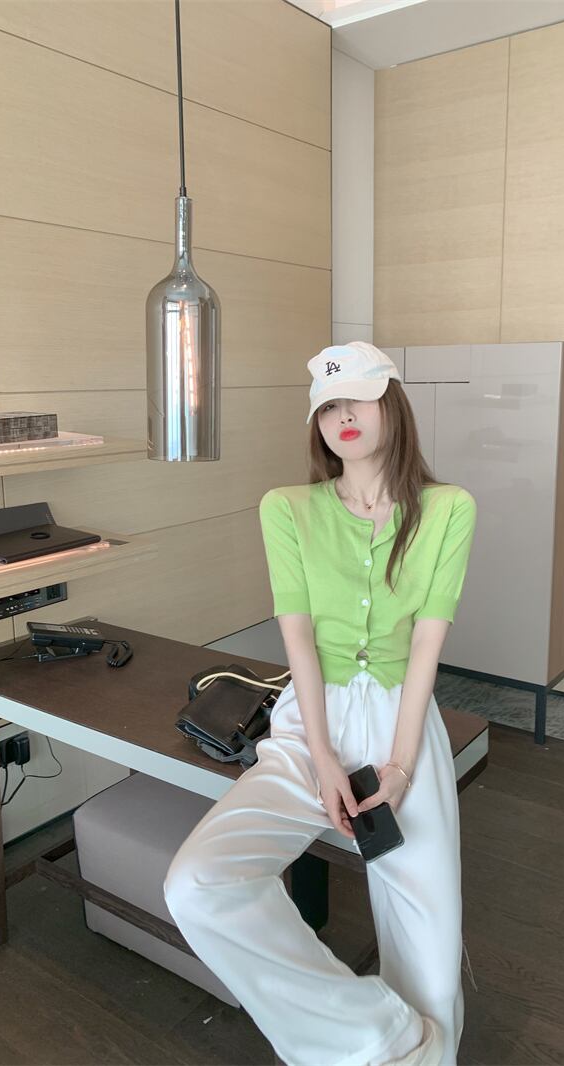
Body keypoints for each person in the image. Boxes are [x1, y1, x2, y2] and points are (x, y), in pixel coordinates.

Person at [164, 341, 477, 1066]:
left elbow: (426, 647)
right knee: (198, 882)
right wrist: (326, 758)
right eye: (329, 405)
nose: (343, 416)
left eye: (357, 399)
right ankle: (374, 1034)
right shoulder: (287, 509)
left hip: (402, 724)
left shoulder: (448, 509)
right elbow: (298, 643)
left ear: (390, 404)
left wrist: (401, 767)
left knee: (428, 942)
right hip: (311, 726)